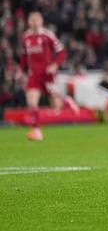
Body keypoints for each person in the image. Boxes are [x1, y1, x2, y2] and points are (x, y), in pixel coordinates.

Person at [18, 12, 69, 141]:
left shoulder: (48, 35)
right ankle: (36, 131)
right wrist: (22, 71)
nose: (34, 23)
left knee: (55, 106)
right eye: (32, 20)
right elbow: (24, 57)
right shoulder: (26, 37)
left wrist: (54, 64)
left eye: (37, 20)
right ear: (28, 22)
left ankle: (66, 102)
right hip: (33, 75)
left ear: (41, 21)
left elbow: (61, 52)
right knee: (31, 102)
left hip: (47, 74)